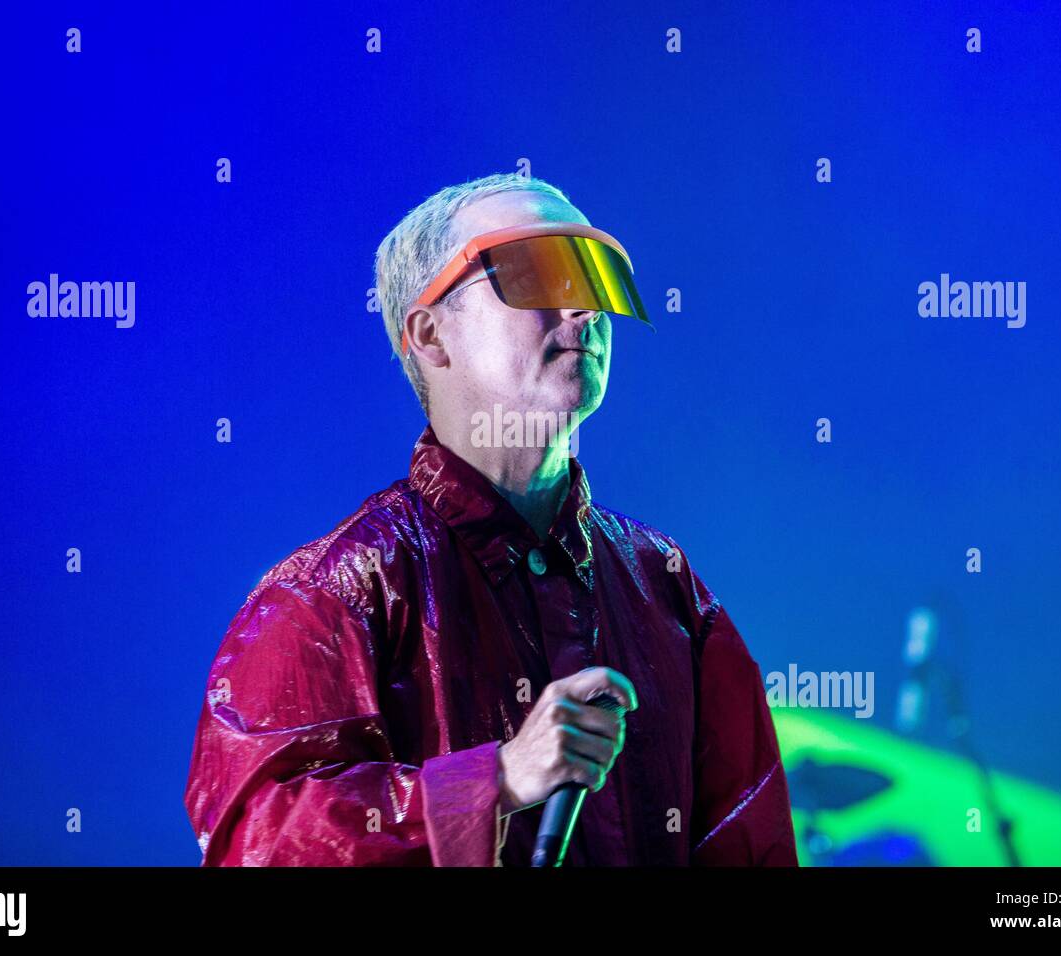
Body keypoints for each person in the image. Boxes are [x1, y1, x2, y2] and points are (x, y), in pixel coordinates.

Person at [183, 172, 799, 866]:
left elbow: (752, 843)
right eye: (538, 273)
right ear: (429, 334)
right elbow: (261, 842)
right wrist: (497, 779)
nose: (585, 311)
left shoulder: (666, 583)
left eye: (595, 279)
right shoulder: (331, 593)